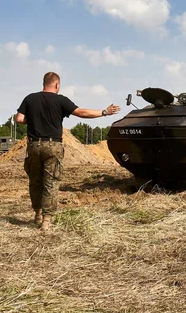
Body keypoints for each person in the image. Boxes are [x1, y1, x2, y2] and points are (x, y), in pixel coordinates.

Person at [15, 71, 120, 231]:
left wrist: (35, 120)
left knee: (35, 181)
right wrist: (104, 112)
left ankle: (37, 213)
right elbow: (81, 113)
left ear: (44, 83)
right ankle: (46, 220)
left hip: (34, 146)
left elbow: (19, 119)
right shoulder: (61, 100)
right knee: (50, 182)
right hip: (53, 147)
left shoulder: (30, 98)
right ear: (57, 85)